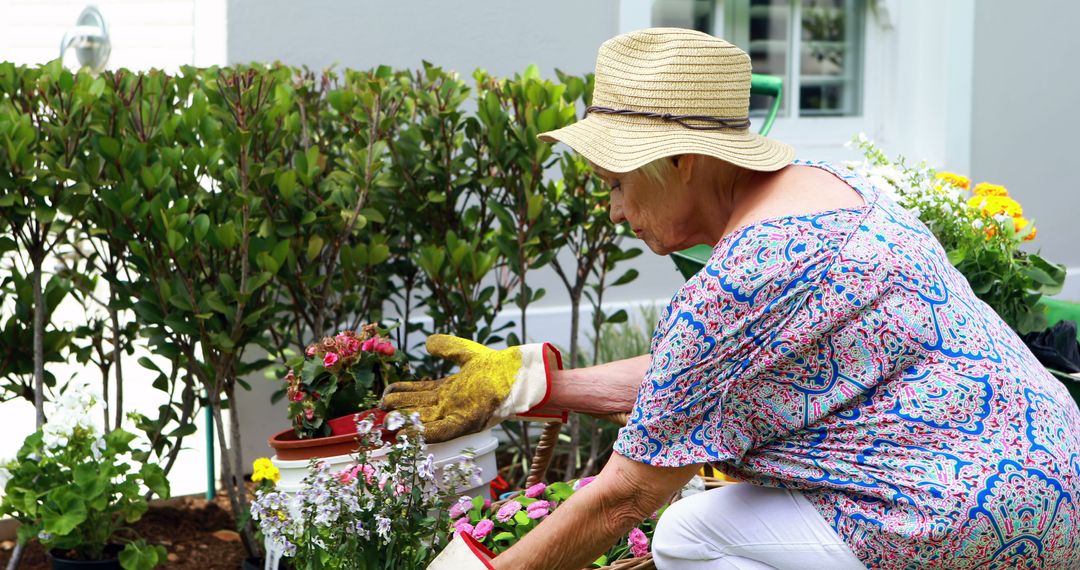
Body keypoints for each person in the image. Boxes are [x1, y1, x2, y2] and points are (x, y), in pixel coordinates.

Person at [382, 28, 1080, 569]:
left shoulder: (740, 280)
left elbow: (627, 494)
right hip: (1052, 479)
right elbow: (699, 376)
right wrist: (535, 384)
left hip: (961, 524)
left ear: (682, 162)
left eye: (616, 183)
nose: (615, 213)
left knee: (688, 529)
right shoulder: (829, 188)